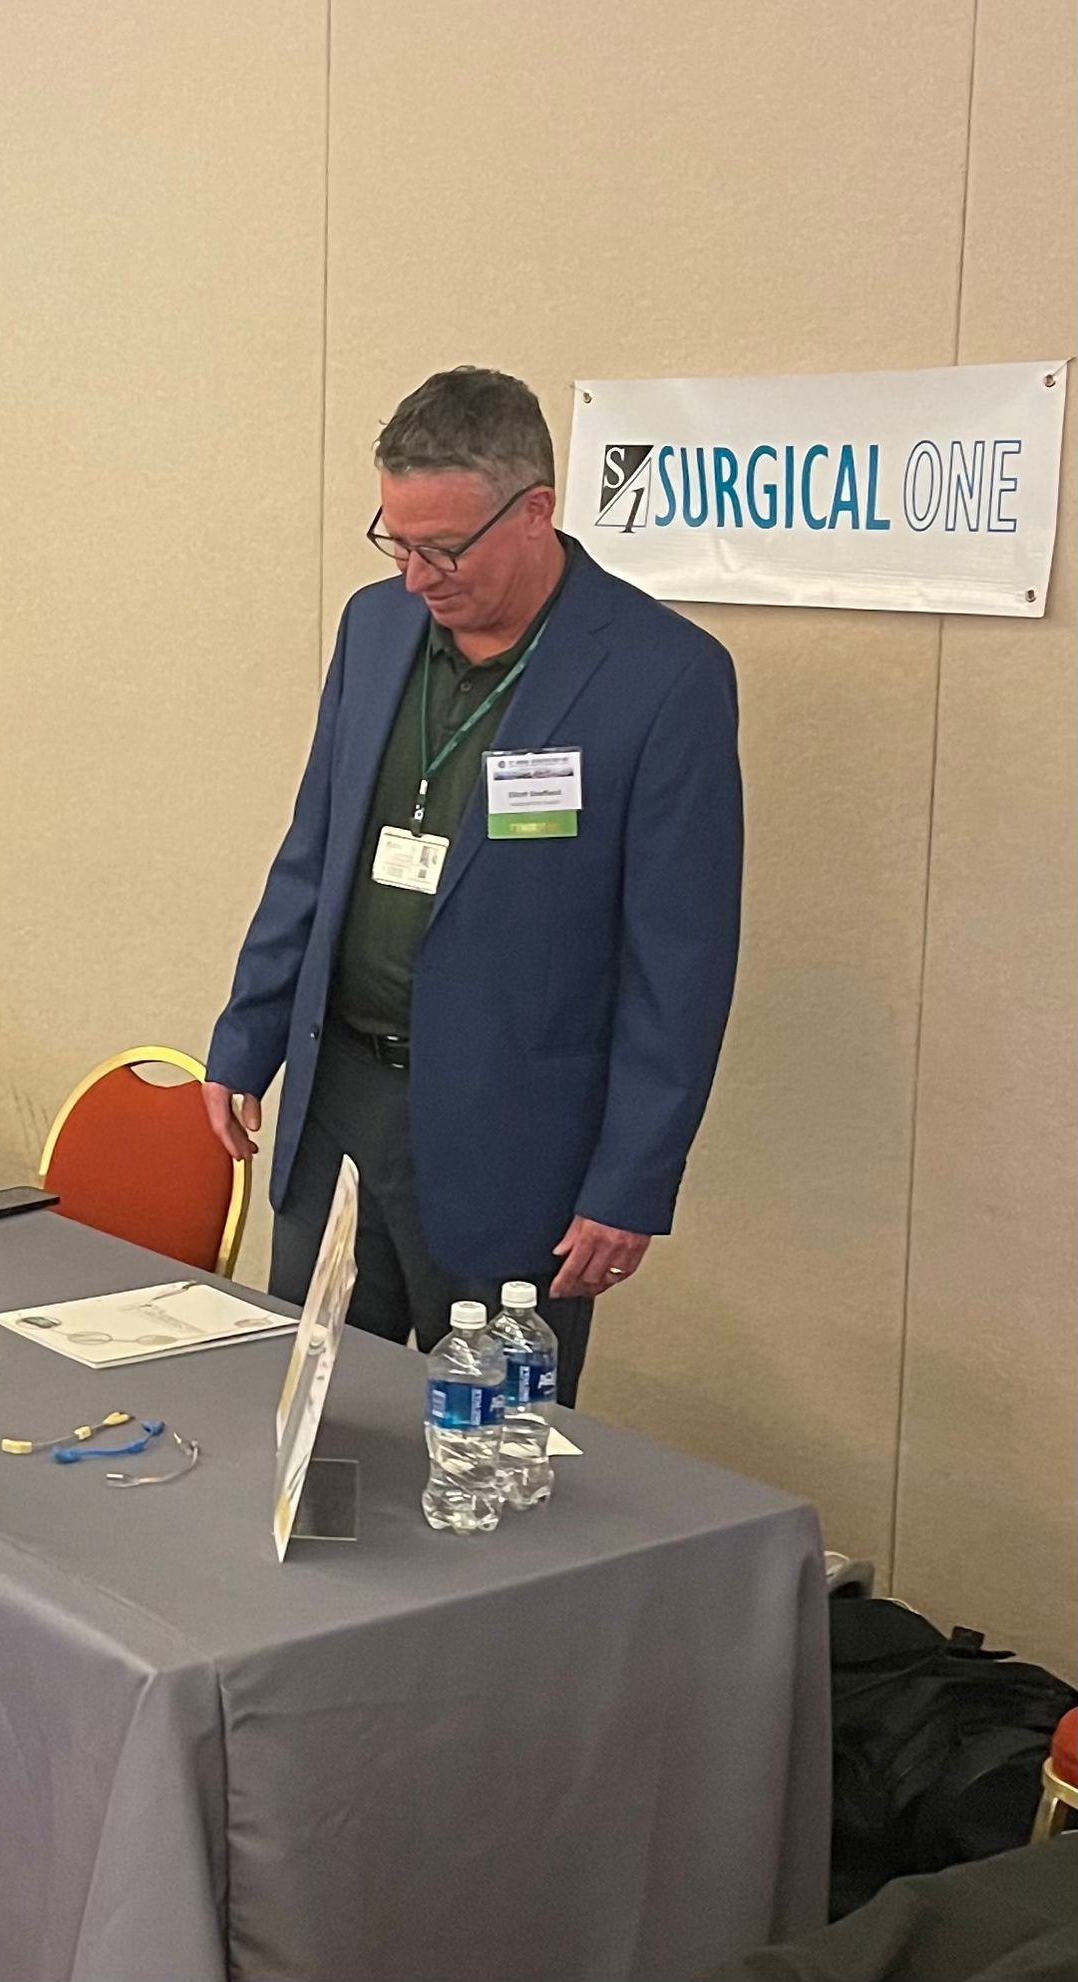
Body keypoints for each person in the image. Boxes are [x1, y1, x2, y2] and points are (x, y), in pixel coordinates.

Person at [203, 368, 742, 1403]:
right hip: (343, 1109)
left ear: (536, 509)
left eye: (443, 547)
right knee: (320, 1425)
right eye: (396, 541)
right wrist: (248, 1033)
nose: (417, 576)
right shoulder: (375, 630)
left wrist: (631, 1181)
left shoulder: (661, 675)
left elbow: (680, 963)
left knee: (488, 1458)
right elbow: (313, 849)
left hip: (515, 1136)